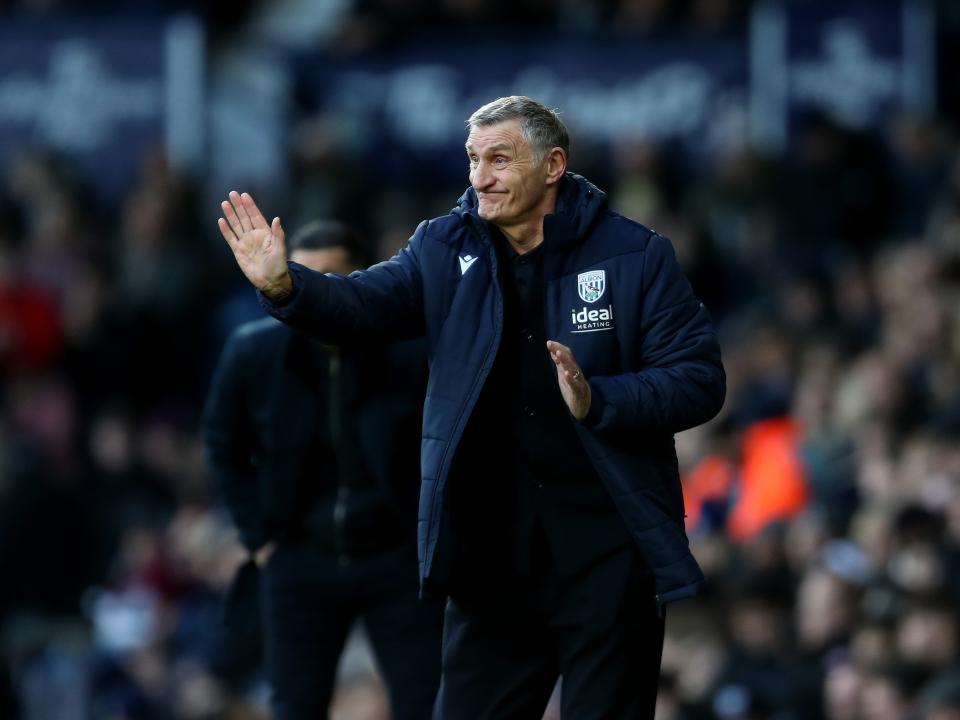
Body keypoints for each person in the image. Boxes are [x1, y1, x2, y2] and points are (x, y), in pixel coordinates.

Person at [217, 96, 726, 718]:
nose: (479, 177)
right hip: (490, 567)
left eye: (499, 159)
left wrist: (602, 399)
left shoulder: (634, 255)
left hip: (608, 559)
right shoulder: (441, 246)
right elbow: (360, 306)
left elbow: (700, 379)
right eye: (472, 159)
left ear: (553, 165)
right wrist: (284, 285)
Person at [203, 220, 443, 720]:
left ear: (366, 283)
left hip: (396, 559)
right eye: (298, 276)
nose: (307, 293)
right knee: (295, 706)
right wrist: (259, 538)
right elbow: (222, 444)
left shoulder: (413, 352)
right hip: (298, 559)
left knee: (425, 705)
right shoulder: (253, 352)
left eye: (328, 278)